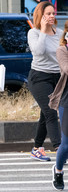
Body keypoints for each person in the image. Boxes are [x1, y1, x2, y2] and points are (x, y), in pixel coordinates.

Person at [27, 1, 63, 162]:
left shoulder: (60, 33)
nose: (51, 16)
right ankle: (60, 148)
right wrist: (43, 30)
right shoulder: (33, 33)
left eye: (53, 13)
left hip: (58, 78)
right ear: (40, 16)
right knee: (50, 112)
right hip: (39, 77)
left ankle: (37, 148)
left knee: (45, 114)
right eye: (47, 14)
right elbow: (39, 51)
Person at [49, 20, 68, 191]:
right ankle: (59, 170)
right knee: (67, 143)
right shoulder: (62, 50)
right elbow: (67, 69)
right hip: (67, 101)